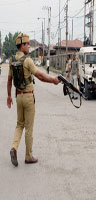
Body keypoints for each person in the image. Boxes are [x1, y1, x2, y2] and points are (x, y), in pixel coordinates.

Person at [7, 33, 60, 167]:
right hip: (28, 96)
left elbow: (9, 80)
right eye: (28, 44)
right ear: (22, 45)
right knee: (29, 128)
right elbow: (40, 76)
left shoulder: (12, 60)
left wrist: (8, 96)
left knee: (19, 124)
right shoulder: (28, 60)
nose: (29, 46)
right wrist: (53, 80)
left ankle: (14, 147)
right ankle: (28, 156)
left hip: (18, 96)